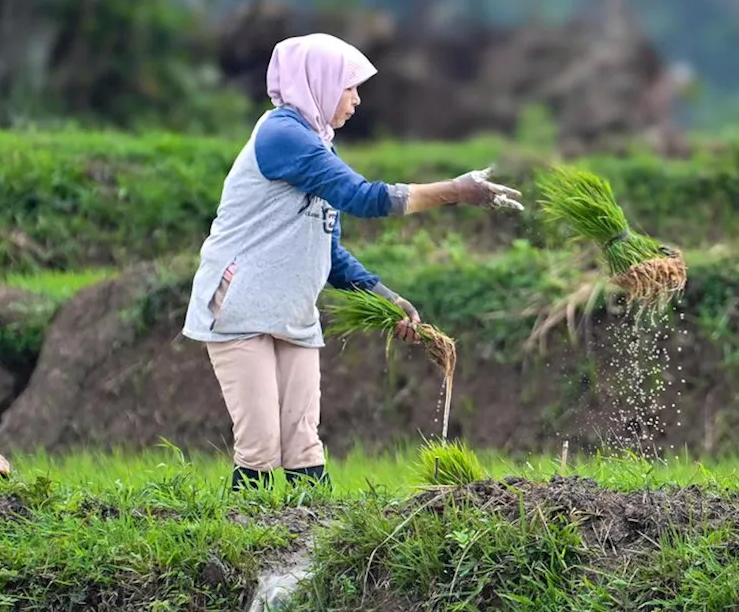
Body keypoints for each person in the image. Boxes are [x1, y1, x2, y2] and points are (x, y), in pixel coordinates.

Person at [182, 32, 524, 492]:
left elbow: (330, 249)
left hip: (292, 310)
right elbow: (363, 198)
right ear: (318, 82)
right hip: (241, 306)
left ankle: (315, 550)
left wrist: (386, 297)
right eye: (351, 87)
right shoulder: (283, 135)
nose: (358, 100)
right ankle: (248, 550)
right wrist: (455, 192)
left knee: (304, 443)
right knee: (261, 445)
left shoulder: (320, 144)